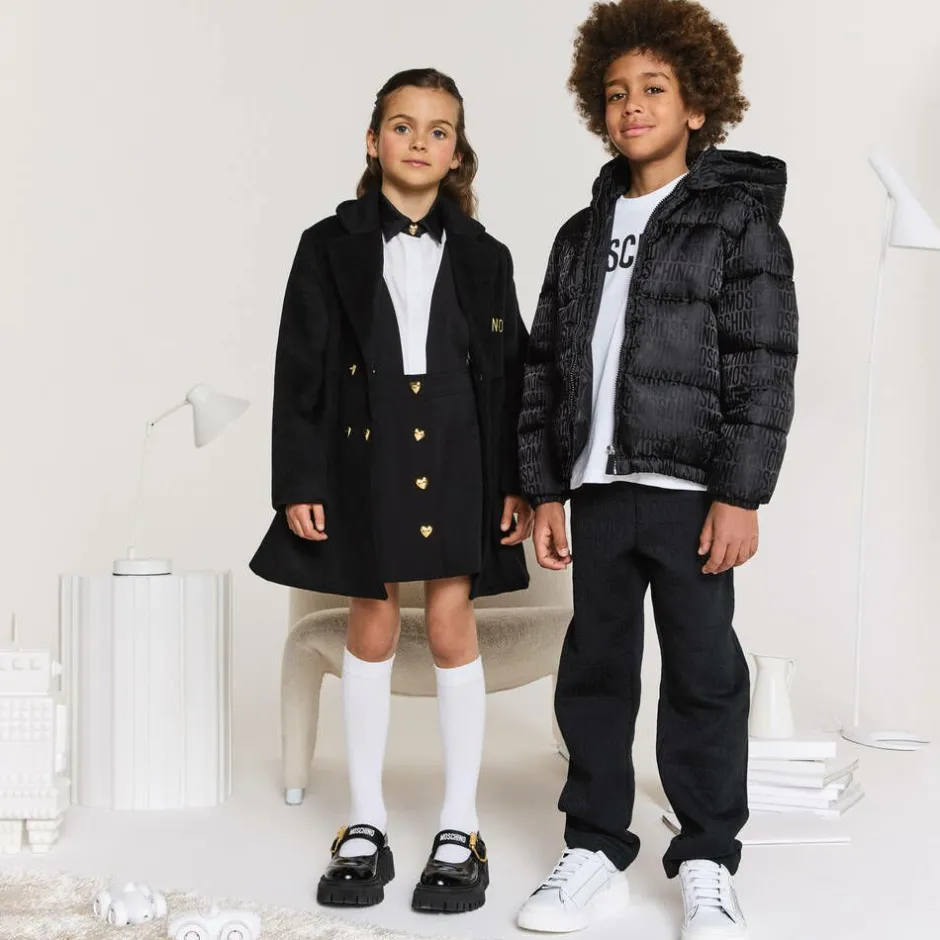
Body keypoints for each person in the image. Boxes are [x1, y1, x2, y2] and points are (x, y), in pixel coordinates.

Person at [515, 2, 798, 937]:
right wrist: (545, 486)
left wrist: (740, 494)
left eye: (654, 89)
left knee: (704, 674)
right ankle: (595, 849)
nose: (632, 106)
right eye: (615, 93)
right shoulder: (579, 234)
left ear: (698, 105)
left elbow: (763, 363)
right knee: (594, 670)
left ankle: (708, 859)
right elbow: (544, 365)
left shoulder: (738, 224)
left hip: (690, 494)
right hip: (597, 490)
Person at [249, 67, 532, 914]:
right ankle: (365, 822)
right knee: (371, 622)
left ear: (457, 154)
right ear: (374, 142)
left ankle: (460, 825)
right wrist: (298, 480)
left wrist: (519, 483)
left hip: (459, 448)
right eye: (403, 126)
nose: (419, 141)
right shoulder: (324, 243)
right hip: (361, 451)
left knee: (449, 624)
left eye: (439, 131)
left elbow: (513, 376)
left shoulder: (486, 255)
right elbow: (299, 367)